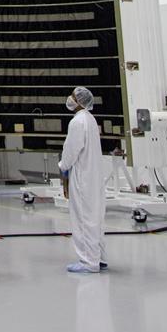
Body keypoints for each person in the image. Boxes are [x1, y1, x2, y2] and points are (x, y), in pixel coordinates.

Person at [60, 86, 107, 274]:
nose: (70, 99)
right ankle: (100, 257)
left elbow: (72, 150)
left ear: (80, 101)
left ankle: (88, 261)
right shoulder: (90, 119)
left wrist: (63, 167)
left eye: (73, 96)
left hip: (82, 178)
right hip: (93, 177)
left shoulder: (77, 122)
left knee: (83, 219)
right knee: (95, 218)